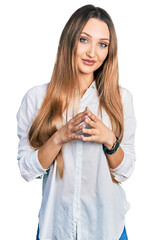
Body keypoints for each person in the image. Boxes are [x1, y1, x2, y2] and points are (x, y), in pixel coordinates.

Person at [16, 4, 136, 240]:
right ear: (69, 40)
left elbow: (125, 171)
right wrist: (59, 137)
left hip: (107, 230)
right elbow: (26, 169)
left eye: (102, 44)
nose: (93, 52)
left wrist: (109, 140)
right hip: (56, 229)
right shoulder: (37, 98)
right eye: (84, 40)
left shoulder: (120, 99)